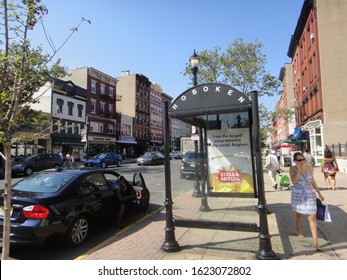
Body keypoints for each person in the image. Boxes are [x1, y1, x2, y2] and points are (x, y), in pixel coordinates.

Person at [290, 152, 324, 251]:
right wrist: (299, 170)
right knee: (298, 214)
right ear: (295, 161)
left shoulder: (309, 168)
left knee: (312, 216)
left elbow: (312, 181)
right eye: (299, 160)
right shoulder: (292, 169)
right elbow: (294, 182)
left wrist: (319, 193)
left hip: (310, 194)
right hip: (298, 195)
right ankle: (297, 229)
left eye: (303, 159)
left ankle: (315, 242)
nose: (302, 161)